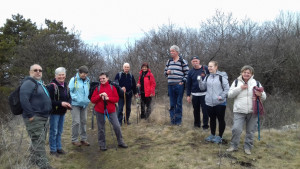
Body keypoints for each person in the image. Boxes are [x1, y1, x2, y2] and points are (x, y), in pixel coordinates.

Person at [226, 65, 266, 155]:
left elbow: (264, 97)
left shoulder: (257, 83)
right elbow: (230, 95)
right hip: (239, 110)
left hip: (253, 111)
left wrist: (260, 94)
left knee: (250, 131)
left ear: (252, 74)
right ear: (241, 73)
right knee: (236, 129)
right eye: (244, 72)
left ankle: (247, 147)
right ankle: (233, 146)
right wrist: (240, 88)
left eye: (248, 73)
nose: (246, 74)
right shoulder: (236, 82)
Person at [20, 64, 53, 169]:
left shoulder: (39, 83)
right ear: (30, 72)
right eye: (35, 70)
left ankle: (33, 160)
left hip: (43, 117)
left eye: (40, 70)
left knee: (38, 141)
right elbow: (24, 100)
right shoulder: (28, 83)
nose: (38, 72)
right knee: (39, 142)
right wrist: (31, 116)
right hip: (35, 118)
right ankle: (44, 166)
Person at [91, 72, 128, 151]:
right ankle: (102, 145)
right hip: (99, 110)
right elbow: (93, 100)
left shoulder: (112, 87)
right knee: (101, 128)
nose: (102, 80)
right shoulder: (97, 88)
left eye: (103, 78)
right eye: (100, 79)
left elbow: (116, 99)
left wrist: (108, 98)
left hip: (111, 110)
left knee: (117, 126)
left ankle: (120, 141)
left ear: (107, 78)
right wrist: (100, 96)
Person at [198, 61, 229, 143]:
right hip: (209, 102)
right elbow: (202, 88)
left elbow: (227, 89)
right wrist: (200, 81)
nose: (209, 68)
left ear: (216, 67)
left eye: (211, 66)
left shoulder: (221, 77)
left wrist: (221, 96)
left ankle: (220, 136)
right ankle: (212, 135)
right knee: (212, 119)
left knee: (220, 119)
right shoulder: (207, 77)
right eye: (208, 66)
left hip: (220, 103)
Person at [47, 67, 72, 156]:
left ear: (65, 75)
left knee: (60, 131)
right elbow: (49, 101)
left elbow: (69, 97)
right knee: (54, 131)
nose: (61, 77)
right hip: (54, 112)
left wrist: (69, 103)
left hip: (63, 112)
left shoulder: (65, 85)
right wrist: (61, 103)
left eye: (63, 75)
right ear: (55, 76)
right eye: (59, 75)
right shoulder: (52, 86)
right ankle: (53, 150)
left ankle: (59, 148)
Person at [164, 45, 189, 125]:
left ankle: (178, 122)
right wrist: (167, 72)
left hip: (179, 85)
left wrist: (182, 81)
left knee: (178, 103)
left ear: (177, 52)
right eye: (170, 51)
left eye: (173, 51)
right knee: (172, 104)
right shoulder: (169, 61)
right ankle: (173, 121)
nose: (171, 53)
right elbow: (165, 73)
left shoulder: (183, 61)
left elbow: (187, 74)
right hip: (170, 85)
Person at [68, 65, 90, 147]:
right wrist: (76, 98)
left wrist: (87, 99)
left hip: (84, 105)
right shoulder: (74, 80)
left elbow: (88, 91)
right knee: (76, 122)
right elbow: (70, 91)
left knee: (84, 121)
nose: (84, 75)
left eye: (85, 73)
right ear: (79, 73)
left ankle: (83, 139)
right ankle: (74, 140)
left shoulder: (88, 80)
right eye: (82, 73)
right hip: (75, 104)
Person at [186, 56, 209, 130]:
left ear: (199, 61)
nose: (195, 63)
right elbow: (188, 84)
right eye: (193, 61)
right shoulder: (190, 72)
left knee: (205, 111)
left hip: (205, 94)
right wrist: (188, 95)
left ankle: (205, 126)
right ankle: (197, 125)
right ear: (191, 63)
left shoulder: (205, 69)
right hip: (195, 94)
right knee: (196, 111)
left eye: (196, 61)